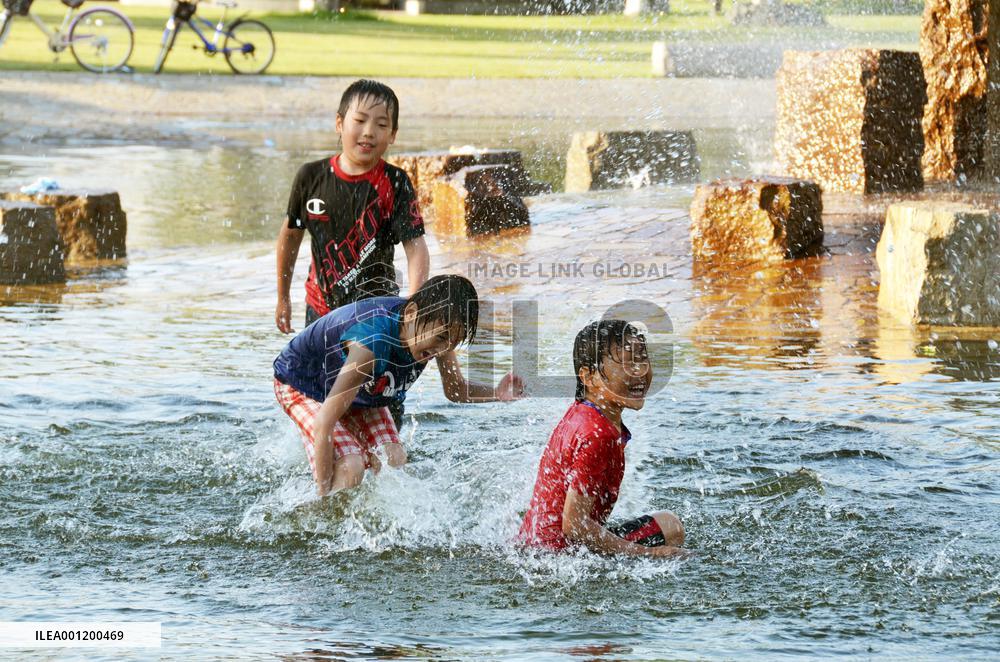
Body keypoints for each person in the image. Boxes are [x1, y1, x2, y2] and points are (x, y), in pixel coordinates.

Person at [273, 275, 524, 496]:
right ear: (413, 312)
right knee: (352, 467)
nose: (442, 350)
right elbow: (324, 422)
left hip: (359, 389)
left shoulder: (436, 334)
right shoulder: (371, 344)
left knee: (394, 458)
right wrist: (323, 496)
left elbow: (455, 389)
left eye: (451, 344)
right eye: (440, 339)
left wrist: (497, 393)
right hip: (302, 384)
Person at [518, 320, 688, 558]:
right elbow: (574, 525)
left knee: (668, 524)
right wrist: (650, 554)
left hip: (532, 546)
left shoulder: (582, 413)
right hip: (560, 558)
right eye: (626, 365)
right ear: (588, 377)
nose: (639, 372)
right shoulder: (598, 434)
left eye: (642, 359)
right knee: (671, 530)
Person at [275, 78, 429, 333]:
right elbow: (290, 237)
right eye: (359, 121)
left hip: (377, 312)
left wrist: (414, 303)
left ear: (392, 134)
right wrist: (283, 297)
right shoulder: (311, 177)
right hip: (320, 311)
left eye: (381, 124)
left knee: (364, 371)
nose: (369, 131)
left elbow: (416, 248)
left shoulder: (395, 181)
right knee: (319, 373)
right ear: (339, 123)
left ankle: (454, 375)